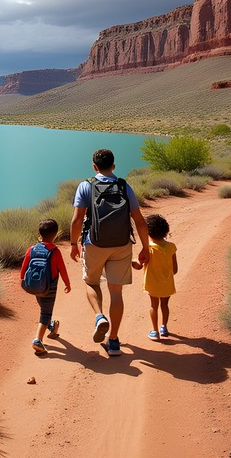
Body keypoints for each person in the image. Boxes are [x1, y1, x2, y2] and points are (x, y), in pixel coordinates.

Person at [70, 148, 150, 356]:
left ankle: (99, 317)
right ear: (113, 166)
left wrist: (72, 244)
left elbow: (77, 219)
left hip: (94, 244)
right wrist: (145, 247)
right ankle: (113, 341)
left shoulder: (86, 186)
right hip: (122, 245)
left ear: (94, 166)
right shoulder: (123, 186)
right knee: (116, 291)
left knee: (91, 282)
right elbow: (139, 221)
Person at [20, 218, 71, 355]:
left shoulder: (31, 249)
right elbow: (62, 269)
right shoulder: (55, 251)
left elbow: (23, 269)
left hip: (35, 286)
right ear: (56, 234)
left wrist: (24, 282)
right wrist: (67, 283)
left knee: (44, 308)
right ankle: (38, 340)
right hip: (50, 287)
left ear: (40, 233)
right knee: (45, 313)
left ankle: (51, 326)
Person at [136, 213, 177, 340]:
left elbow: (139, 265)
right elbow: (175, 269)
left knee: (154, 305)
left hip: (152, 283)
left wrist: (131, 262)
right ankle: (164, 327)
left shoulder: (148, 249)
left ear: (148, 233)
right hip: (167, 283)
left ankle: (155, 331)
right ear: (165, 231)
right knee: (164, 305)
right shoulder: (171, 247)